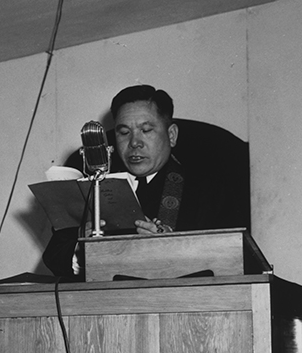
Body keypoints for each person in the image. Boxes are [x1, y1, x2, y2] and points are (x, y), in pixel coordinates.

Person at [42, 84, 250, 277]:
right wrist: (81, 247)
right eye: (124, 132)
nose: (134, 143)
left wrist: (172, 248)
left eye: (146, 130)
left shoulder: (209, 190)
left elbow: (234, 258)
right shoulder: (95, 187)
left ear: (171, 135)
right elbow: (54, 255)